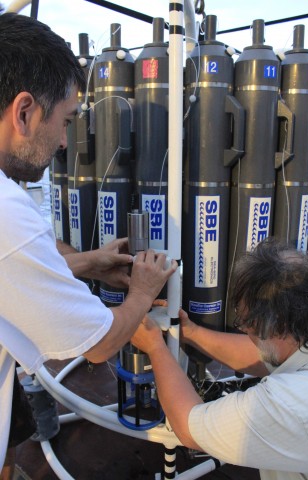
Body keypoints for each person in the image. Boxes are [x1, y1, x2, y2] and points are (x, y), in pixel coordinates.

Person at [0, 12, 177, 477]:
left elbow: (14, 268)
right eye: (65, 121)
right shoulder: (6, 212)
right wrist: (142, 292)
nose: (64, 141)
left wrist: (90, 262)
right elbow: (100, 344)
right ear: (24, 112)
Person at [131, 238, 308, 480]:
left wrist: (155, 347)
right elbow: (264, 355)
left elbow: (190, 428)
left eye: (246, 323)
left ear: (278, 325)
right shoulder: (304, 334)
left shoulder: (290, 405)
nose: (244, 331)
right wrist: (190, 332)